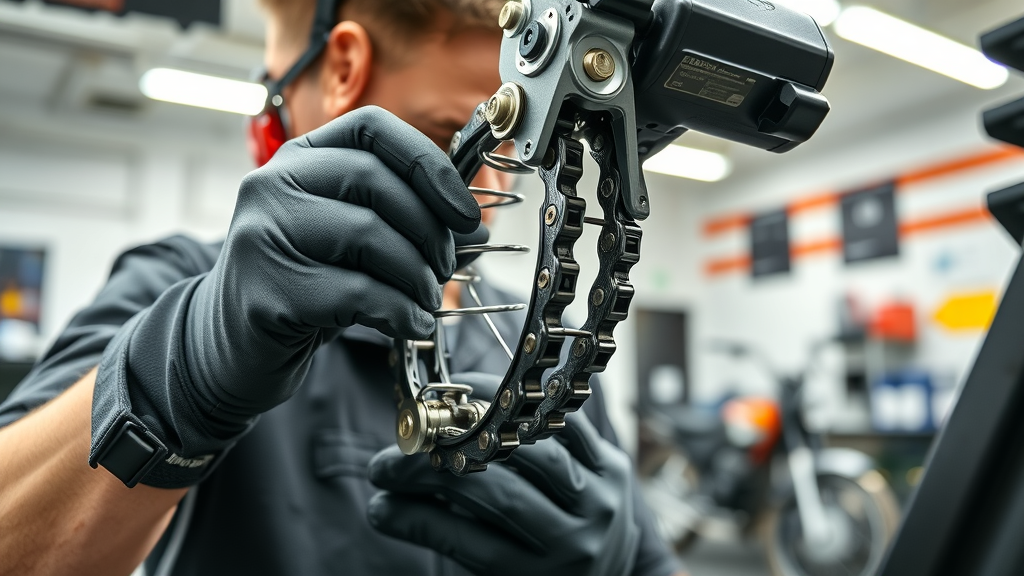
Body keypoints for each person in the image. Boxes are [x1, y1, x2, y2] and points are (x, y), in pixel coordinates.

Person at [0, 1, 687, 575]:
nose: (488, 200)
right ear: (344, 69)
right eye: (458, 138)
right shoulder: (175, 283)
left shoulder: (540, 343)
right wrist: (184, 372)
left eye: (516, 156)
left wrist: (627, 560)